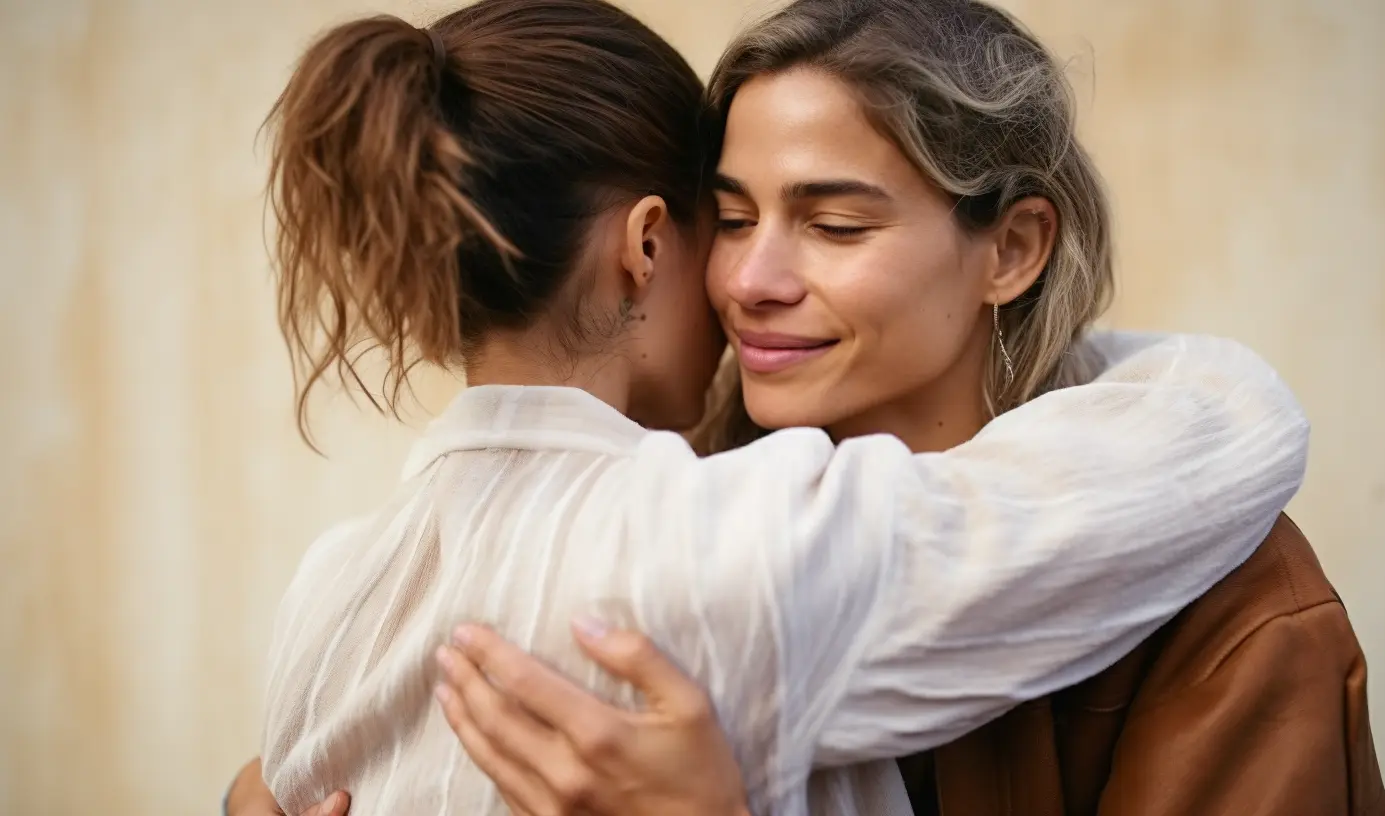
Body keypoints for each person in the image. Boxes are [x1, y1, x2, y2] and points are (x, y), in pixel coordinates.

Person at [227, 0, 1310, 814]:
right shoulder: (737, 526)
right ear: (649, 242)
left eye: (836, 224)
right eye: (732, 218)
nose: (750, 280)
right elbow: (1223, 424)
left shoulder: (1233, 614)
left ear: (1013, 247)